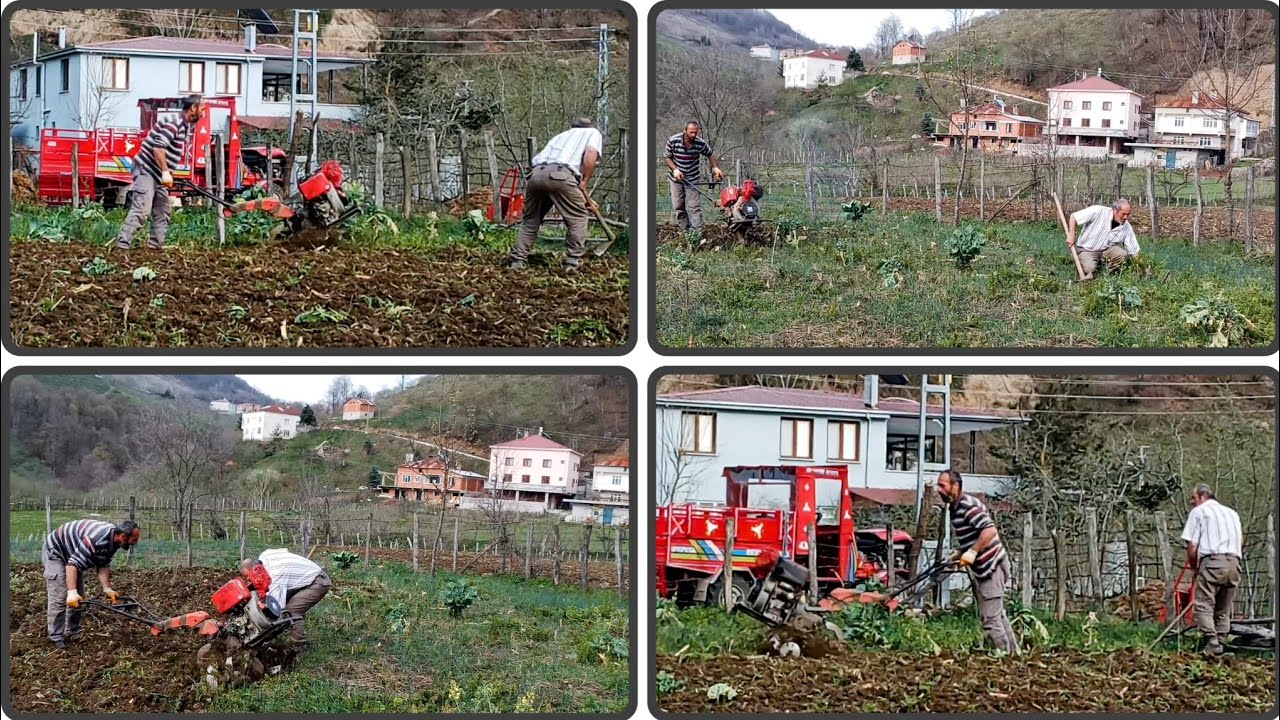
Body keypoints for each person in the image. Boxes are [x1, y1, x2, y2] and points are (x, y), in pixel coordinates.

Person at [936, 469, 1020, 655]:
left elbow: (989, 531)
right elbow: (972, 536)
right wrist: (959, 553)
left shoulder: (968, 506)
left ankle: (1004, 657)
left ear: (955, 486)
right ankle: (1014, 654)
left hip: (993, 566)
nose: (938, 490)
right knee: (997, 615)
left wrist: (972, 552)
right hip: (984, 568)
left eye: (942, 485)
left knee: (990, 619)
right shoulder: (955, 509)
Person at [506, 117, 604, 271]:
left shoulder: (560, 136)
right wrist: (585, 180)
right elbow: (591, 153)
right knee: (578, 217)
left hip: (536, 174)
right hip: (562, 175)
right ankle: (572, 262)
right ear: (589, 126)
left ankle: (517, 261)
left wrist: (586, 198)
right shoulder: (593, 133)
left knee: (531, 219)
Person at [115, 94, 206, 251]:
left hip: (157, 174)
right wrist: (165, 172)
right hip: (147, 169)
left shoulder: (184, 125)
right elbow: (158, 148)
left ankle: (155, 246)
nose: (203, 113)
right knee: (142, 210)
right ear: (193, 108)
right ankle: (122, 246)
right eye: (202, 109)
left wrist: (167, 171)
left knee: (163, 210)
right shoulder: (174, 122)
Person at [42, 519, 141, 648]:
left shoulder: (114, 541)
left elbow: (103, 564)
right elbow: (72, 564)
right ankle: (55, 637)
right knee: (61, 596)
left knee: (80, 598)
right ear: (123, 536)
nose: (135, 542)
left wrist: (107, 588)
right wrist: (71, 592)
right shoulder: (95, 539)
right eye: (134, 539)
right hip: (56, 551)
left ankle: (73, 632)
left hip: (73, 553)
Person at [1180, 484, 1243, 656]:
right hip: (1234, 562)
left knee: (1203, 603)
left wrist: (1194, 567)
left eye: (1193, 498)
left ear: (1202, 496)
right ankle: (1221, 641)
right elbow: (1240, 540)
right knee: (1224, 607)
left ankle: (1211, 640)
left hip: (1213, 561)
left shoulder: (1200, 512)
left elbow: (1192, 545)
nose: (1192, 503)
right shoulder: (1232, 513)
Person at [241, 548, 332, 647]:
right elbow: (285, 550)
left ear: (255, 569)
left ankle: (298, 645)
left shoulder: (276, 577)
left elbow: (277, 608)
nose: (250, 579)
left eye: (250, 576)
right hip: (306, 574)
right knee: (286, 602)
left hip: (317, 583)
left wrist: (263, 605)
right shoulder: (265, 554)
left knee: (290, 611)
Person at [664, 121, 723, 232]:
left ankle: (697, 231)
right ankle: (685, 230)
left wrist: (715, 168)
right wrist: (675, 170)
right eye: (691, 132)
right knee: (678, 207)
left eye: (696, 133)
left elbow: (710, 154)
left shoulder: (700, 143)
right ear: (685, 130)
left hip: (693, 178)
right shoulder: (673, 140)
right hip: (676, 179)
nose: (693, 135)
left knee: (695, 206)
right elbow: (667, 157)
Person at [1066, 198, 1141, 279]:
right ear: (1115, 210)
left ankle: (1106, 273)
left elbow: (1134, 250)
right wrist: (1071, 235)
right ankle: (1088, 264)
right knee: (1089, 269)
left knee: (1123, 255)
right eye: (1123, 214)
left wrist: (1141, 267)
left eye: (1128, 214)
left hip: (1106, 250)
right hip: (1087, 249)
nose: (1126, 217)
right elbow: (1074, 217)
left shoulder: (1126, 227)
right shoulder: (1098, 211)